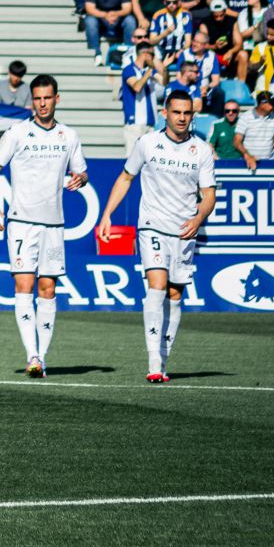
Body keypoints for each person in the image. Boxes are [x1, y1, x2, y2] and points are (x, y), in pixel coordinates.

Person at [97, 92, 216, 383]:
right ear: (165, 113)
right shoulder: (148, 143)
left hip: (184, 230)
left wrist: (198, 218)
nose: (182, 118)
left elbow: (209, 195)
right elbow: (126, 177)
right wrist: (107, 214)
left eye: (187, 113)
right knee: (158, 285)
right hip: (151, 225)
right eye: (176, 112)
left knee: (175, 295)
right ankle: (153, 360)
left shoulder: (201, 150)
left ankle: (163, 357)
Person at [0, 76, 88, 377]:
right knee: (24, 285)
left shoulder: (68, 135)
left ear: (57, 99)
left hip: (54, 224)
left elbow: (82, 172)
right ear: (32, 101)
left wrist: (81, 179)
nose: (42, 104)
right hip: (21, 222)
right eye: (37, 99)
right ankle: (33, 355)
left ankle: (42, 355)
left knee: (48, 287)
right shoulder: (17, 133)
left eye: (47, 98)